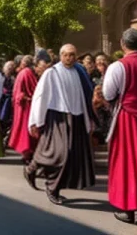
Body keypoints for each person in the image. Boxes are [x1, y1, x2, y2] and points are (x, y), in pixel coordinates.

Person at [25, 44, 95, 205]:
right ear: (61, 55)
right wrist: (35, 121)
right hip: (57, 116)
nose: (69, 58)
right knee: (61, 154)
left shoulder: (78, 72)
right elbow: (40, 97)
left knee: (63, 154)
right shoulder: (52, 72)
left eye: (72, 55)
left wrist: (87, 119)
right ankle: (52, 188)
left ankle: (32, 169)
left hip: (76, 117)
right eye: (66, 55)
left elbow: (82, 97)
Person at [103, 28, 137, 225]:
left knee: (128, 164)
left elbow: (108, 93)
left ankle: (129, 209)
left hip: (128, 120)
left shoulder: (118, 66)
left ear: (122, 44)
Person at [8, 54, 43, 163]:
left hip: (22, 106)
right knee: (27, 131)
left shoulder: (23, 73)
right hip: (26, 106)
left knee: (24, 130)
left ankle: (27, 153)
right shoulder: (27, 73)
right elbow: (33, 89)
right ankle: (28, 153)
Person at [0, 60, 16, 135]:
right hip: (3, 98)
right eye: (8, 67)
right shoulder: (2, 76)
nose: (10, 69)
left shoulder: (12, 78)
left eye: (11, 67)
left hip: (9, 98)